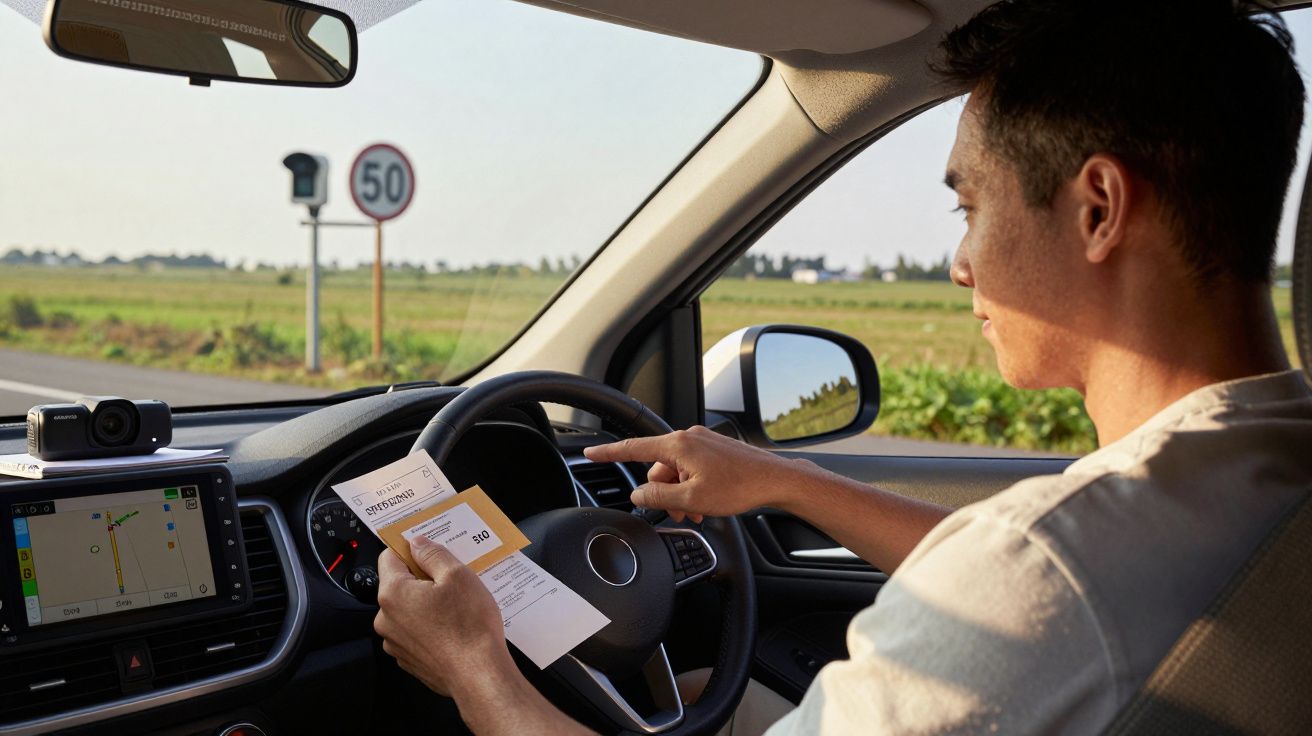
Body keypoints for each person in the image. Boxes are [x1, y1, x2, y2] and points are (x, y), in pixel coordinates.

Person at [372, 0, 1312, 733]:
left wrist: (475, 671)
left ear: (1100, 209)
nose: (961, 264)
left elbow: (1031, 577)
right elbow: (1041, 576)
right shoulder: (1263, 466)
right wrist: (789, 480)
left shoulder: (1047, 567)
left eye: (969, 206)